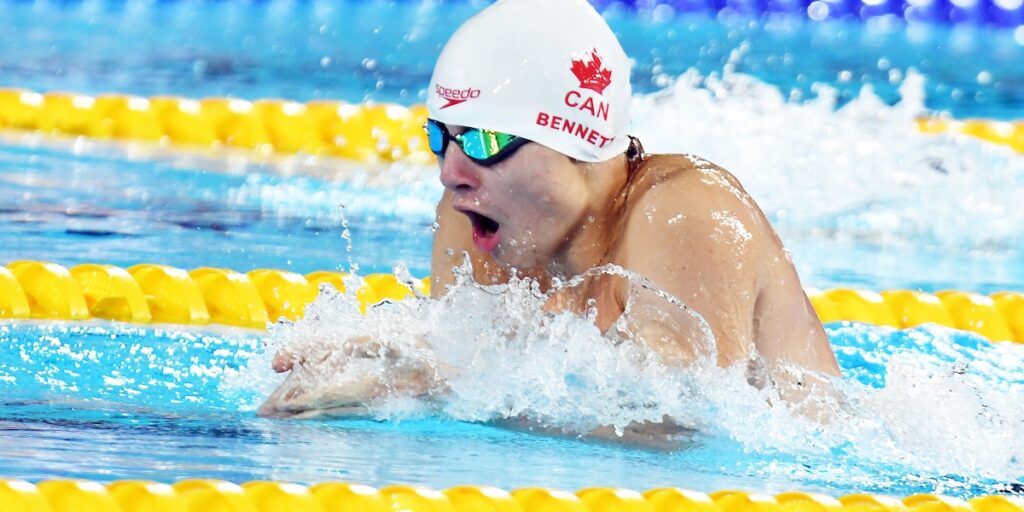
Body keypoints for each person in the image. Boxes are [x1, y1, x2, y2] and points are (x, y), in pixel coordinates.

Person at [264, 0, 839, 422]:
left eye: (486, 141)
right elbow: (477, 371)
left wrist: (431, 389)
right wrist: (384, 370)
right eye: (444, 138)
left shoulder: (689, 212)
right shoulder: (478, 216)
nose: (452, 173)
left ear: (580, 142)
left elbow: (680, 424)